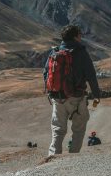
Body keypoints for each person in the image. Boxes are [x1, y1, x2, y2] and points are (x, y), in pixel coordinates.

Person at [44, 25, 102, 155]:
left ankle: (53, 157)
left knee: (58, 129)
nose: (81, 36)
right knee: (79, 128)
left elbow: (46, 73)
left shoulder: (55, 52)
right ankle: (73, 157)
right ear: (76, 36)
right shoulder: (81, 52)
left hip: (57, 97)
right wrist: (96, 95)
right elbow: (91, 75)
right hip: (77, 98)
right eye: (80, 34)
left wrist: (51, 92)